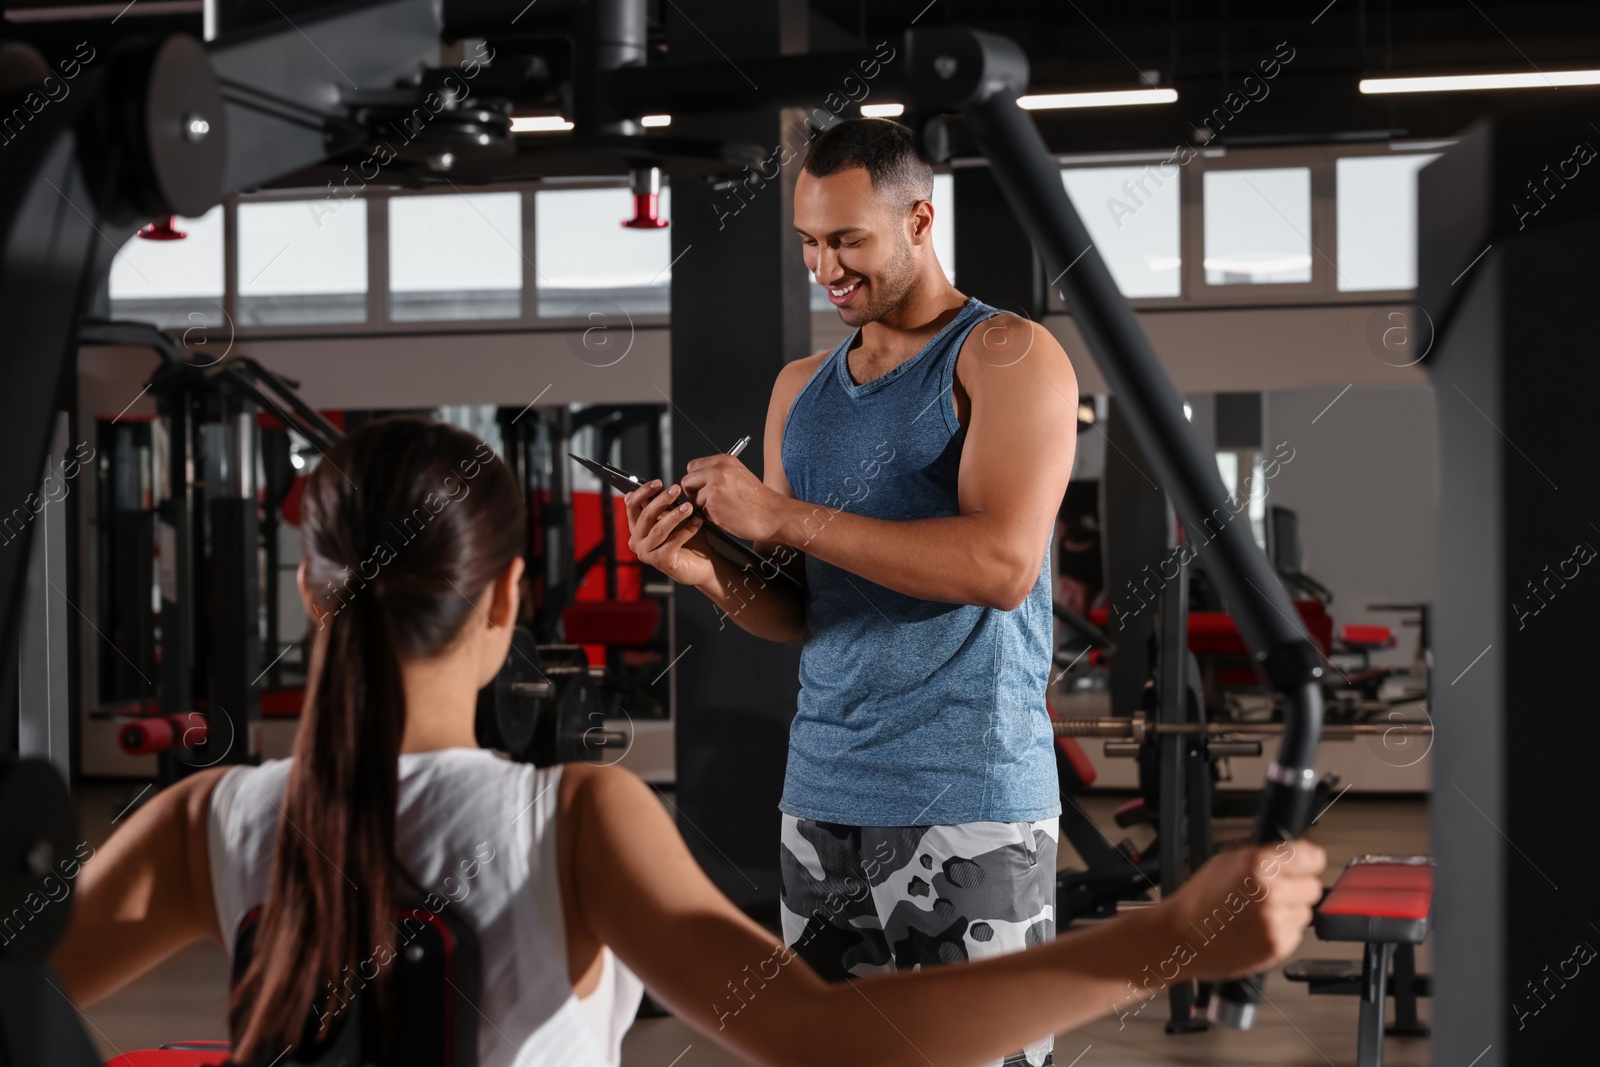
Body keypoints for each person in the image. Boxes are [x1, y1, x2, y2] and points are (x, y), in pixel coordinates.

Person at [53, 417, 1324, 1067]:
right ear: (507, 598)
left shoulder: (200, 819)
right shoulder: (571, 819)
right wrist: (1165, 939)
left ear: (313, 593)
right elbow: (824, 1040)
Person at [633, 116, 1074, 1065]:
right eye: (807, 244)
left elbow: (1002, 567)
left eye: (846, 241)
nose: (823, 268)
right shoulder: (802, 387)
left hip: (970, 801)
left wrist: (782, 518)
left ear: (919, 219)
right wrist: (703, 564)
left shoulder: (1006, 354)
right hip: (823, 795)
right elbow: (799, 610)